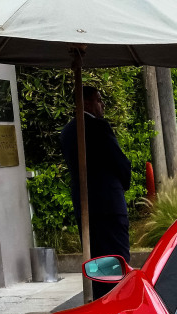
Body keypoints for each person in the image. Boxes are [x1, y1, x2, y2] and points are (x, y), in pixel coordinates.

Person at [61, 86, 132, 300]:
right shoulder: (98, 127)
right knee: (117, 258)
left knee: (96, 259)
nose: (103, 105)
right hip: (109, 205)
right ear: (87, 103)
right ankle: (118, 301)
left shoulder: (67, 132)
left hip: (85, 205)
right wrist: (124, 181)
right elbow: (119, 162)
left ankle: (101, 300)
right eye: (99, 100)